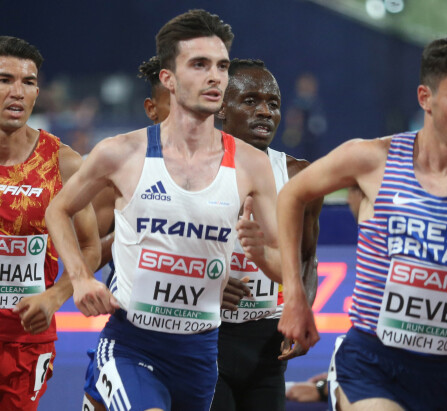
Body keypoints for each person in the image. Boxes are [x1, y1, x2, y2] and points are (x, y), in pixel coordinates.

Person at [276, 35, 447, 411]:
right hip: (370, 362)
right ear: (426, 98)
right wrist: (295, 296)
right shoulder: (373, 158)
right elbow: (293, 194)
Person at [46, 9, 281, 411]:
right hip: (133, 345)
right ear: (168, 79)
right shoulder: (121, 153)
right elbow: (58, 210)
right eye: (200, 64)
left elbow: (281, 262)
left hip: (202, 355)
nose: (215, 77)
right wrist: (82, 280)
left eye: (222, 66)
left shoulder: (251, 164)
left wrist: (270, 264)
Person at [210, 58, 323, 411]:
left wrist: (303, 308)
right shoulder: (191, 171)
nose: (264, 112)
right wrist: (204, 282)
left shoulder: (299, 175)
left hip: (267, 345)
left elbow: (307, 259)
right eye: (250, 101)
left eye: (272, 104)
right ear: (221, 109)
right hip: (207, 337)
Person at [0, 36, 100, 410]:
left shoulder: (64, 162)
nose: (17, 92)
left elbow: (90, 247)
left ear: (38, 91)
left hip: (27, 339)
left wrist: (55, 297)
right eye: (4, 79)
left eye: (27, 82)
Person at [81, 55, 170, 411]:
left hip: (205, 345)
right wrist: (128, 236)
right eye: (172, 103)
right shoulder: (123, 167)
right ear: (152, 108)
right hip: (132, 341)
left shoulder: (234, 168)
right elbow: (85, 250)